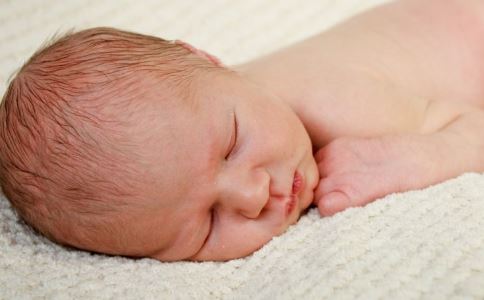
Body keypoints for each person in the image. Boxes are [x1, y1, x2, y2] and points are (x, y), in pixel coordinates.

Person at [1, 0, 483, 262]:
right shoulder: (208, 103)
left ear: (209, 60)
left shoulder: (334, 103)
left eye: (233, 145)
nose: (253, 196)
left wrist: (417, 158)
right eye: (208, 224)